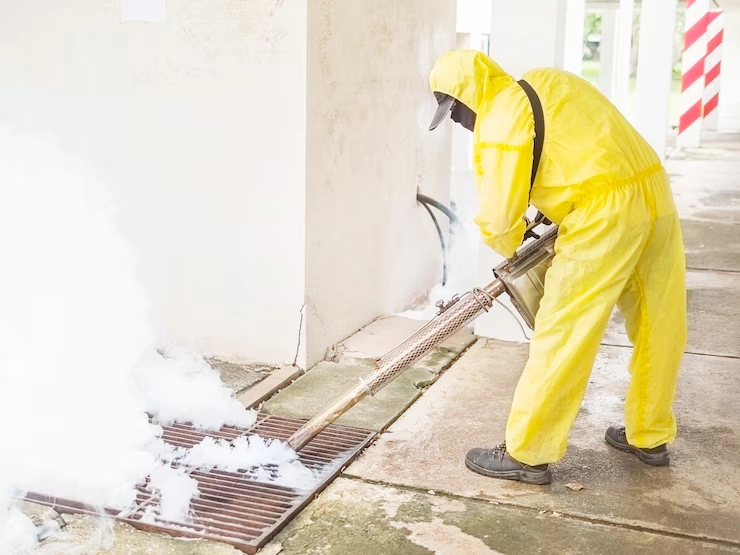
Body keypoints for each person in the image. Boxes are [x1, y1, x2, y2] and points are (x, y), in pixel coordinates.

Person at [428, 49, 687, 485]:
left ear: (467, 97)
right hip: (651, 189)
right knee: (660, 320)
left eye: (454, 111)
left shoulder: (499, 122)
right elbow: (582, 143)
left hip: (602, 216)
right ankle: (650, 433)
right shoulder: (547, 80)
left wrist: (509, 244)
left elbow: (499, 223)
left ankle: (527, 453)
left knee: (565, 329)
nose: (458, 122)